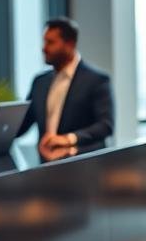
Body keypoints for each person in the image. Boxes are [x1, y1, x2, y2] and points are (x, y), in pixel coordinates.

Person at [15, 17, 114, 161]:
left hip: (84, 165)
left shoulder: (97, 80)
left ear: (70, 44)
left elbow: (105, 126)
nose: (44, 47)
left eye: (51, 42)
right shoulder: (39, 82)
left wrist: (68, 139)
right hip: (45, 165)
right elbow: (23, 123)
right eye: (44, 41)